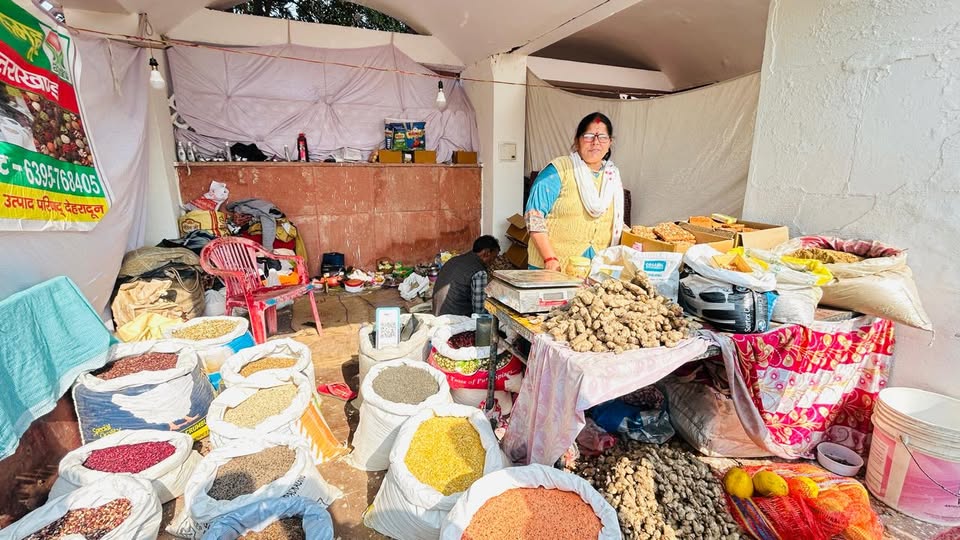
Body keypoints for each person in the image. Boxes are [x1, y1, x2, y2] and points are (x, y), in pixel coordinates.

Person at [525, 112, 625, 272]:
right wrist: (549, 258)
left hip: (597, 269)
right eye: (589, 136)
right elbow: (534, 217)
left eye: (603, 137)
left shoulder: (612, 176)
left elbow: (614, 221)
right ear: (577, 141)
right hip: (553, 268)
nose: (596, 142)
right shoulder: (558, 170)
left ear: (610, 142)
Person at [432, 235, 501, 316]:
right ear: (487, 253)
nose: (493, 262)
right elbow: (479, 310)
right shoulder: (479, 272)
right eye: (493, 258)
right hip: (455, 321)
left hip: (437, 314)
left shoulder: (453, 260)